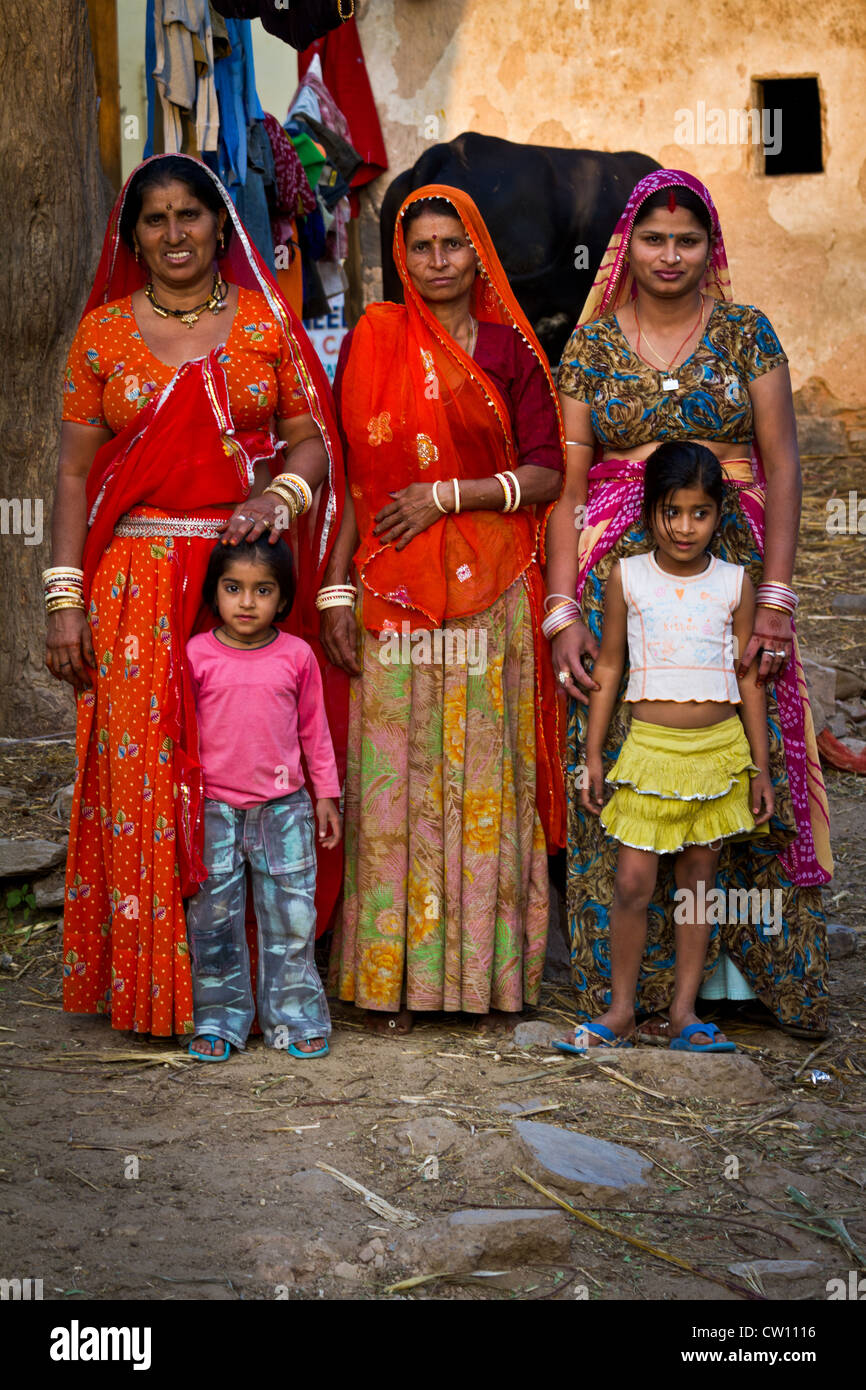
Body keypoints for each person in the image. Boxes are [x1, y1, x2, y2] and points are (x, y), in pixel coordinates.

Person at [48, 154, 343, 1043]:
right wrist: (66, 597)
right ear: (132, 238)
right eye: (154, 221)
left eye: (190, 216)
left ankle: (260, 988)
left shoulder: (264, 322)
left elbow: (312, 443)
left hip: (241, 579)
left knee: (244, 777)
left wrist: (276, 500)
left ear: (222, 225)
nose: (174, 235)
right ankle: (157, 990)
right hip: (135, 586)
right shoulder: (103, 335)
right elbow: (71, 473)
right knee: (147, 780)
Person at [545, 168, 832, 1043]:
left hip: (734, 578)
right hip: (619, 590)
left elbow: (781, 466)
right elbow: (565, 493)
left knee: (746, 759)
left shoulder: (748, 335)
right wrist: (562, 611)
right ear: (626, 245)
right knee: (625, 770)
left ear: (712, 250)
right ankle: (625, 991)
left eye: (688, 239)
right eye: (654, 238)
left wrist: (777, 599)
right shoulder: (590, 348)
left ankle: (738, 988)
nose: (670, 255)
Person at [321, 185, 566, 1034]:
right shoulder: (375, 340)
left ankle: (479, 982)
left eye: (451, 245)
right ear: (402, 255)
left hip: (490, 595)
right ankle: (394, 981)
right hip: (392, 595)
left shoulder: (508, 351)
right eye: (419, 246)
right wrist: (335, 588)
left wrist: (446, 495)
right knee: (397, 791)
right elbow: (355, 476)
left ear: (477, 251)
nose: (435, 262)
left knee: (481, 789)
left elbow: (546, 473)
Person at [555, 443, 774, 1054]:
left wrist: (757, 767)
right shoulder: (629, 576)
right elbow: (613, 663)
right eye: (672, 512)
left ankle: (683, 1011)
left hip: (718, 753)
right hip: (649, 751)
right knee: (632, 881)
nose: (684, 527)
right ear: (651, 512)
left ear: (718, 514)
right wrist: (594, 755)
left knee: (699, 883)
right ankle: (621, 1011)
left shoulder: (736, 583)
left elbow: (750, 678)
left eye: (699, 513)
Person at [184, 536, 341, 1061]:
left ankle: (294, 1020)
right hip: (213, 811)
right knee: (212, 924)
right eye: (234, 588)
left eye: (263, 590)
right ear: (214, 594)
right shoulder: (196, 655)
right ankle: (219, 1020)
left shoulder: (297, 656)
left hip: (286, 810)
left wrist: (326, 796)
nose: (247, 602)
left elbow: (315, 733)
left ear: (283, 599)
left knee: (292, 922)